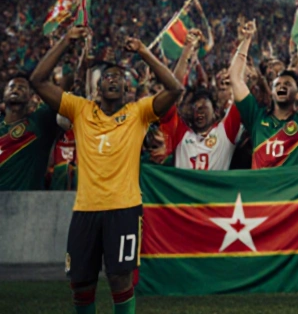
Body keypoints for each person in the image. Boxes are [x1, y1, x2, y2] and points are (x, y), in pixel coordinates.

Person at [30, 27, 184, 314]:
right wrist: (66, 41)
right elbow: (37, 80)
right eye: (107, 77)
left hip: (124, 208)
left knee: (119, 279)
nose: (113, 79)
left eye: (120, 78)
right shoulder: (80, 109)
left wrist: (143, 51)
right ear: (97, 88)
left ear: (127, 89)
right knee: (81, 282)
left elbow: (175, 88)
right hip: (85, 210)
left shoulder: (139, 113)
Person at [229, 20, 298, 168]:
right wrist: (247, 39)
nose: (281, 86)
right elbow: (235, 78)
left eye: (288, 84)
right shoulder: (256, 117)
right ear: (271, 92)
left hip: (290, 190)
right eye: (277, 85)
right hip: (260, 190)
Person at [158, 88, 243, 170]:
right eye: (195, 108)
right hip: (183, 184)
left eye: (204, 107)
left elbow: (240, 96)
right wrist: (178, 95)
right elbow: (165, 106)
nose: (199, 112)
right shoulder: (180, 133)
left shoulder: (225, 132)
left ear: (215, 111)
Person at [1, 75, 60, 190]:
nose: (15, 89)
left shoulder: (40, 122)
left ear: (31, 97)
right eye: (11, 87)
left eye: (22, 88)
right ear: (3, 94)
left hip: (27, 203)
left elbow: (61, 94)